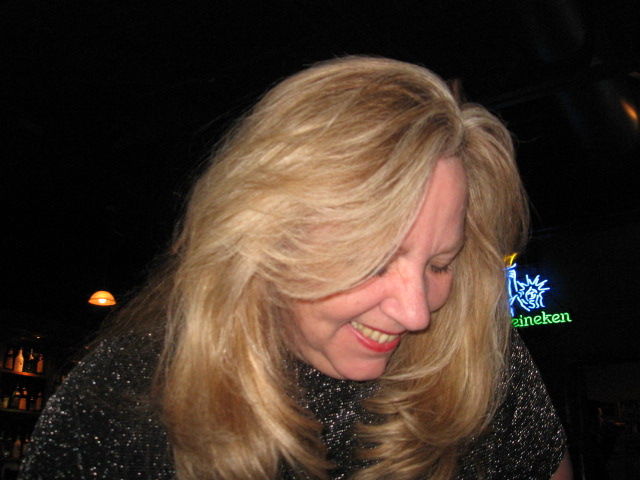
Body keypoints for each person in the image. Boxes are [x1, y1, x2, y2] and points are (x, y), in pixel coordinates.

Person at [19, 56, 572, 480]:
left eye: (440, 264)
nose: (416, 313)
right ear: (265, 237)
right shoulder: (125, 399)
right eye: (373, 260)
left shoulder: (474, 359)